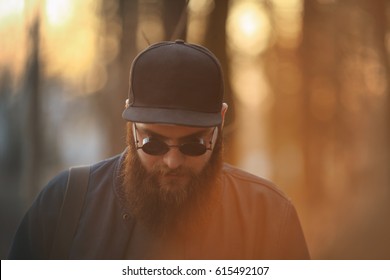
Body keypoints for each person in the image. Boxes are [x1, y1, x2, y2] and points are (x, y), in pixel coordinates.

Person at [8, 40, 310, 259]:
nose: (172, 160)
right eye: (153, 143)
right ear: (130, 121)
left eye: (194, 144)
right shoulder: (64, 206)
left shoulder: (269, 218)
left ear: (221, 119)